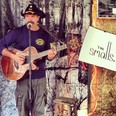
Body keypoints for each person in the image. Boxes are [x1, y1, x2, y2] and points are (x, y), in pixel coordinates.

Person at [0, 2, 57, 116]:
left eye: (32, 16)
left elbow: (51, 55)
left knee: (40, 110)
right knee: (23, 110)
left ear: (38, 17)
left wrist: (52, 55)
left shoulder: (46, 35)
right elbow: (1, 45)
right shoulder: (17, 32)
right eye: (26, 16)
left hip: (39, 78)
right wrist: (14, 56)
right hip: (22, 77)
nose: (29, 18)